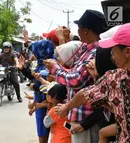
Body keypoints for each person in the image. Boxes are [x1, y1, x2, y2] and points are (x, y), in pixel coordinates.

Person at [56, 23, 130, 143]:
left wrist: (66, 107)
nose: (111, 55)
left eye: (114, 50)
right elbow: (87, 94)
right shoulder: (115, 78)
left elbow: (83, 92)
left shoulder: (116, 78)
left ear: (127, 52)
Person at [44, 10, 108, 143]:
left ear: (86, 30)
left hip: (86, 120)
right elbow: (72, 71)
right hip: (81, 118)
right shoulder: (87, 50)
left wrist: (55, 68)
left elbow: (76, 80)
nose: (77, 31)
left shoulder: (95, 52)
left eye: (79, 28)